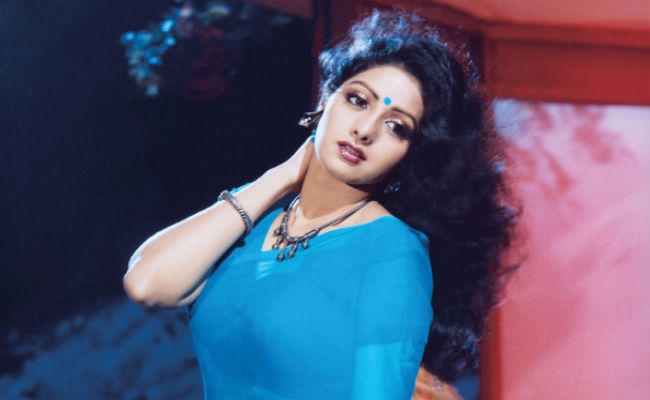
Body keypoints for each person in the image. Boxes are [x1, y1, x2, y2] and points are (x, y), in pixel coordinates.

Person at [124, 9, 516, 400]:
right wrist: (281, 176)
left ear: (412, 153)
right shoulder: (257, 221)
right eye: (357, 100)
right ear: (327, 97)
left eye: (396, 127)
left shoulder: (391, 252)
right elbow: (146, 284)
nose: (365, 130)